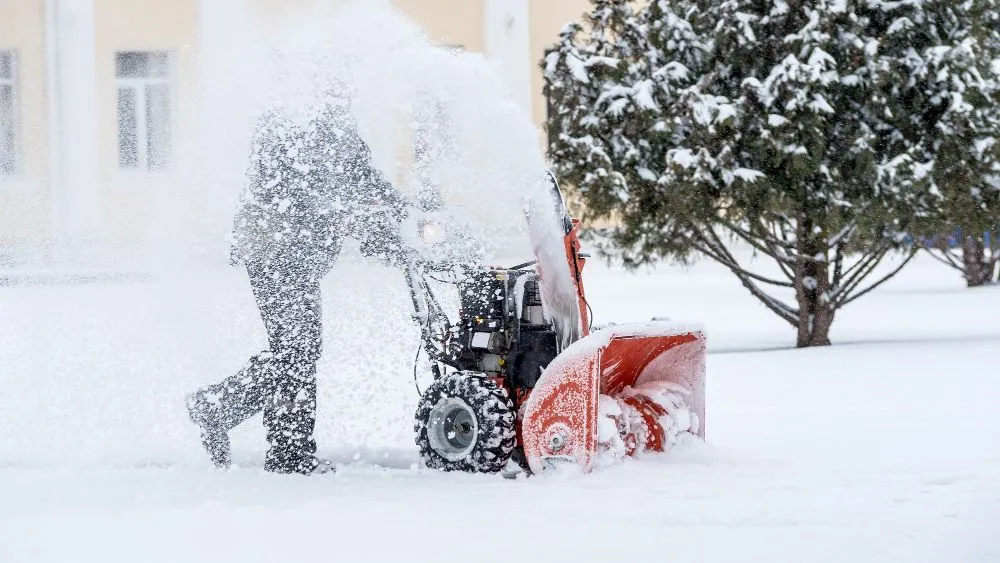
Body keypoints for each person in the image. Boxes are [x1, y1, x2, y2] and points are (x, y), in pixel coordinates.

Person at [185, 91, 410, 475]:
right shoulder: (284, 120)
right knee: (297, 352)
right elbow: (289, 189)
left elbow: (363, 178)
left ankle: (281, 446)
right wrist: (347, 214)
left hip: (300, 257)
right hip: (274, 251)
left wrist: (406, 215)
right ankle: (221, 411)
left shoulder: (339, 126)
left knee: (298, 351)